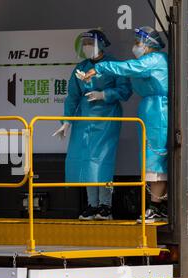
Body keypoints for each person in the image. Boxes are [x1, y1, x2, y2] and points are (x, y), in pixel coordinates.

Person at [83, 26, 168, 223]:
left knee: (155, 158)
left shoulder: (154, 60)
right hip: (152, 111)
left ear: (149, 44)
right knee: (151, 158)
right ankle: (156, 206)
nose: (135, 46)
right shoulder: (148, 62)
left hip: (158, 112)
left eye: (138, 42)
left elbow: (129, 68)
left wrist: (101, 67)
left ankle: (156, 207)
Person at [53, 30, 132, 221]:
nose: (87, 46)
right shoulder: (81, 67)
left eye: (91, 42)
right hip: (84, 119)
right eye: (85, 43)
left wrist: (105, 95)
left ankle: (105, 206)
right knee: (87, 161)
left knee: (102, 161)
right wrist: (66, 122)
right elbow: (72, 97)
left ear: (101, 44)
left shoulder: (113, 65)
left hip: (107, 118)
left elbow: (125, 89)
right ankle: (92, 205)